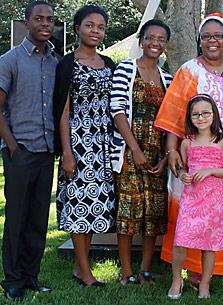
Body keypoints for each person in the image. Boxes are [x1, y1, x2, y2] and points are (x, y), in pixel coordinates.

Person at [155, 12, 223, 284]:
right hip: (195, 156)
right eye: (207, 36)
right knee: (193, 214)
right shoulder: (190, 70)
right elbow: (175, 116)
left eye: (218, 35)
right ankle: (194, 268)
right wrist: (172, 151)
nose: (213, 41)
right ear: (199, 39)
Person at [53, 5, 116, 287]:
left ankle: (81, 267)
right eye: (90, 25)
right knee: (79, 206)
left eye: (100, 27)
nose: (95, 31)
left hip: (104, 144)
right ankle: (86, 272)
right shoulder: (67, 64)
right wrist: (67, 153)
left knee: (95, 207)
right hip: (78, 143)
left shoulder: (110, 64)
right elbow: (63, 112)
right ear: (78, 28)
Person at [0, 0, 57, 301]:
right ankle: (12, 280)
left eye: (50, 19)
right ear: (27, 23)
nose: (45, 24)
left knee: (37, 218)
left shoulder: (55, 62)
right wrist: (13, 147)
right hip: (20, 150)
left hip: (47, 152)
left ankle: (31, 276)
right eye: (39, 19)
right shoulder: (9, 60)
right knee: (17, 217)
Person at [110, 19, 172, 285]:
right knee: (128, 210)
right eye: (150, 38)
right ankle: (126, 271)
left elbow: (173, 120)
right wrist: (134, 150)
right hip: (129, 150)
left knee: (153, 213)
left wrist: (167, 157)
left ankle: (146, 269)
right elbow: (117, 110)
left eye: (161, 39)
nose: (155, 43)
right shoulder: (126, 69)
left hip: (158, 153)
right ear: (141, 40)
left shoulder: (167, 77)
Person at [167, 94, 223, 299]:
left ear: (214, 114)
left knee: (209, 244)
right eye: (196, 114)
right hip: (192, 199)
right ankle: (176, 280)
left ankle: (205, 284)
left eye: (205, 113)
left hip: (214, 202)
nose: (201, 118)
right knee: (181, 239)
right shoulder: (187, 143)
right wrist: (182, 175)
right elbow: (182, 169)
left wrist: (210, 171)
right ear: (190, 117)